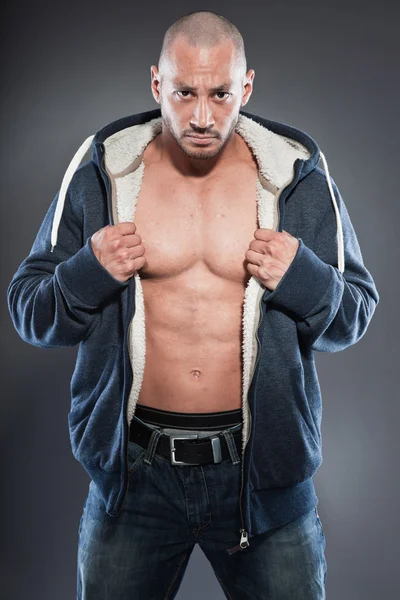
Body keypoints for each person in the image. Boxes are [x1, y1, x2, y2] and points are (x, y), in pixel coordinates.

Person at [7, 9, 379, 599]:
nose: (202, 116)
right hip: (135, 480)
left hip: (262, 482)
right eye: (184, 93)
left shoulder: (296, 172)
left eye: (220, 94)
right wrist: (87, 274)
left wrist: (304, 279)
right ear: (157, 84)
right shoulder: (104, 167)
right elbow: (27, 309)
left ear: (246, 88)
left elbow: (356, 312)